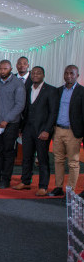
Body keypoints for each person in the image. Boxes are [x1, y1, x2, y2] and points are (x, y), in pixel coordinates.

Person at [13, 66, 57, 196]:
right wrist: (21, 128)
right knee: (26, 157)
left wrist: (47, 130)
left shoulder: (51, 90)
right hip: (28, 129)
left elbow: (53, 113)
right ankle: (25, 181)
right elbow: (25, 111)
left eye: (38, 73)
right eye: (33, 73)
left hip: (42, 131)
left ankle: (43, 186)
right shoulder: (27, 89)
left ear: (43, 75)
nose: (35, 75)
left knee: (42, 159)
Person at [0, 60, 26, 189]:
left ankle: (5, 179)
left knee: (8, 152)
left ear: (10, 69)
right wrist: (0, 118)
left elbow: (20, 105)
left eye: (5, 69)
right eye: (0, 68)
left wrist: (6, 120)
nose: (2, 71)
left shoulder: (18, 84)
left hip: (11, 123)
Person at [49, 65, 84, 197]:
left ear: (77, 75)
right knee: (58, 160)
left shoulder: (82, 91)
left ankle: (70, 191)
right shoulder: (58, 91)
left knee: (73, 162)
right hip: (58, 130)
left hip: (73, 132)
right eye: (66, 73)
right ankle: (58, 187)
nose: (68, 76)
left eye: (72, 73)